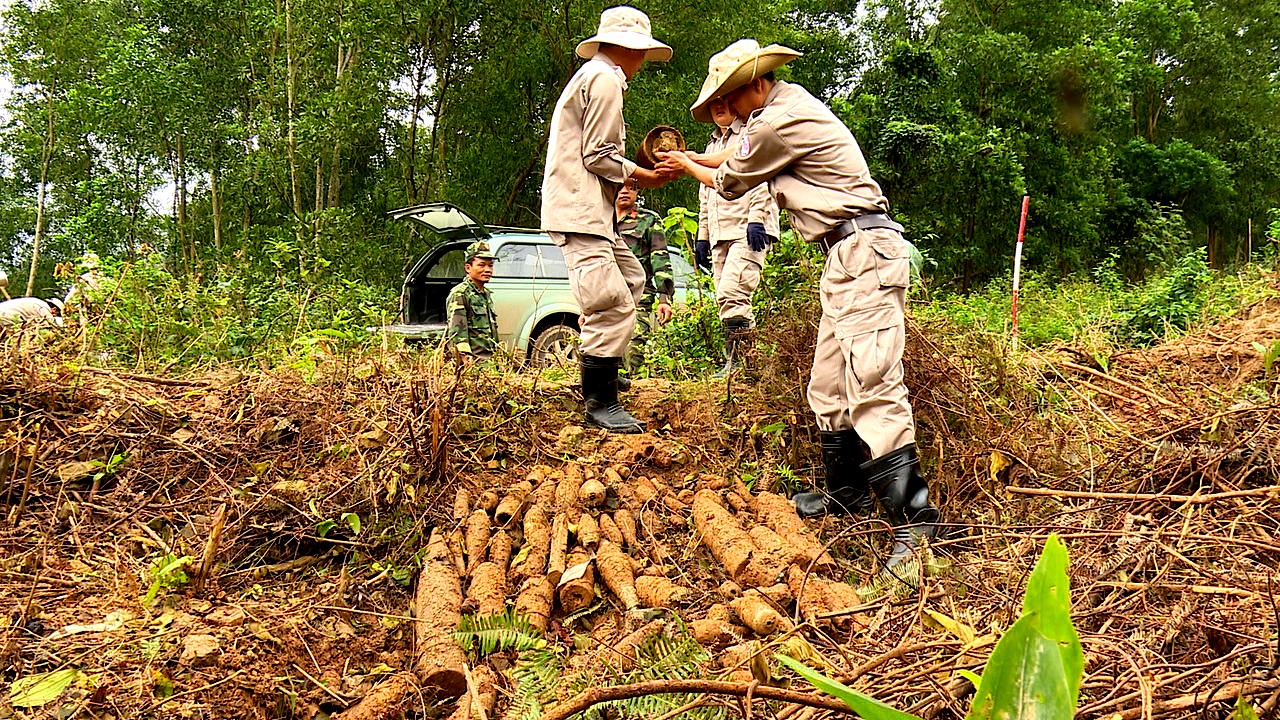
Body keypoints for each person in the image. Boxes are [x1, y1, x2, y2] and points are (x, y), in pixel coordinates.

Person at [666, 39, 941, 573]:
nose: (729, 112)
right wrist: (690, 158)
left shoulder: (776, 122)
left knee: (873, 383)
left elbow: (730, 179)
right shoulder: (783, 110)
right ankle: (847, 496)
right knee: (828, 384)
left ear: (751, 86)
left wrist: (688, 167)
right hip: (845, 255)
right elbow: (733, 153)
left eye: (729, 98)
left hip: (863, 252)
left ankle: (916, 522)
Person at [540, 5, 680, 433]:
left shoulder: (593, 77)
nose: (642, 63)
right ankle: (599, 400)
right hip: (580, 212)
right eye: (641, 53)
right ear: (628, 49)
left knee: (632, 278)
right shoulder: (604, 80)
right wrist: (646, 176)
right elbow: (598, 155)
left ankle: (603, 368)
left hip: (591, 213)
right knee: (610, 301)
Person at [694, 96, 780, 377]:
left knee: (733, 292)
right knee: (724, 296)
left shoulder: (750, 132)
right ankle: (740, 364)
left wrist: (757, 219)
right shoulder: (712, 146)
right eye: (713, 103)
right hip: (721, 232)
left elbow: (759, 177)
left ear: (735, 102)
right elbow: (706, 194)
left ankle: (743, 364)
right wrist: (703, 235)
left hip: (748, 228)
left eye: (724, 100)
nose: (718, 106)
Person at [615, 179, 674, 373]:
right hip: (606, 297)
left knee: (633, 352)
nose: (625, 191)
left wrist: (665, 298)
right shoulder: (600, 220)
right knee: (601, 355)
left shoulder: (648, 219)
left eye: (632, 187)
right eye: (620, 186)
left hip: (637, 297)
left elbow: (660, 258)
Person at [444, 241, 499, 360]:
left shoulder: (485, 295)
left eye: (490, 265)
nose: (487, 270)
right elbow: (457, 334)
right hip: (474, 365)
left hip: (490, 364)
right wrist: (465, 360)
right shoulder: (460, 294)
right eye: (481, 265)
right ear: (468, 268)